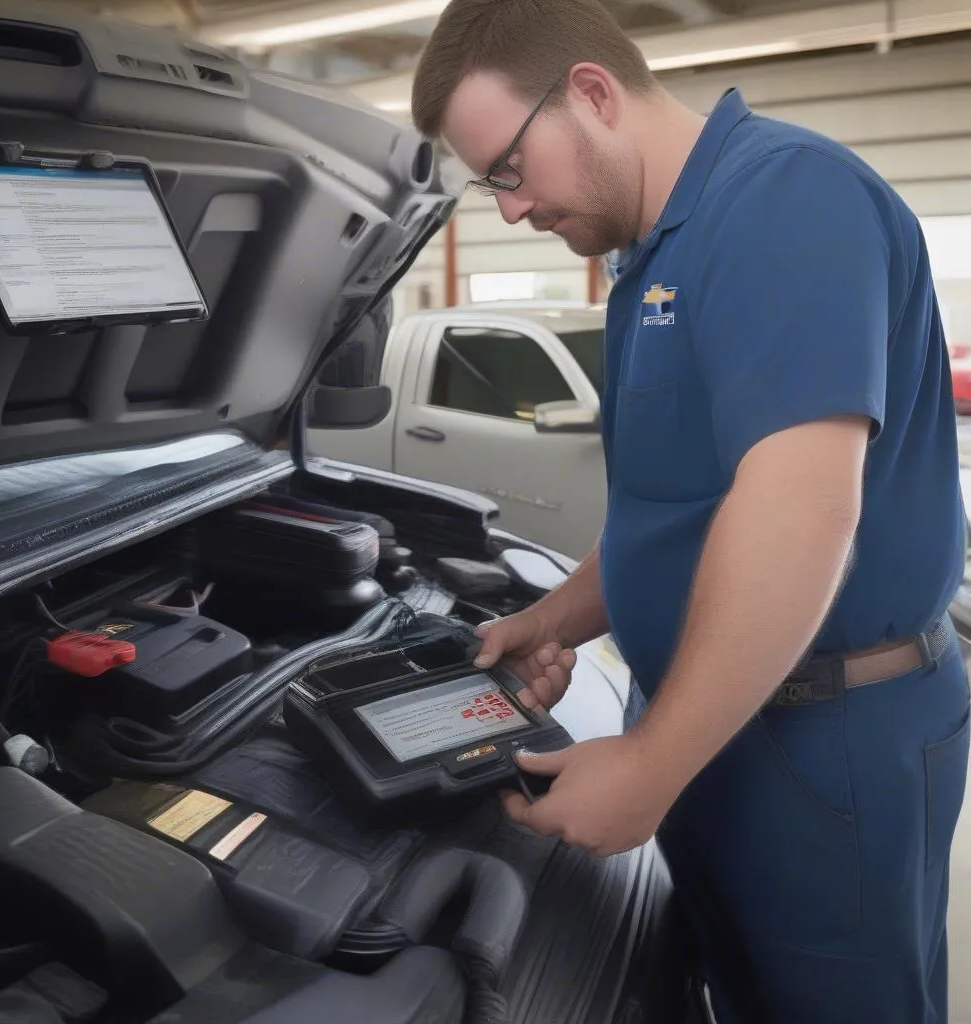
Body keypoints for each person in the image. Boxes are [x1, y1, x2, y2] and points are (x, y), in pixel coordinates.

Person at [410, 2, 970, 1022]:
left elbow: (800, 515)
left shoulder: (784, 200)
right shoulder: (650, 259)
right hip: (716, 721)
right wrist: (549, 618)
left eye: (506, 167)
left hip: (823, 742)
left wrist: (650, 764)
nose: (507, 208)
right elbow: (674, 513)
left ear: (589, 93)